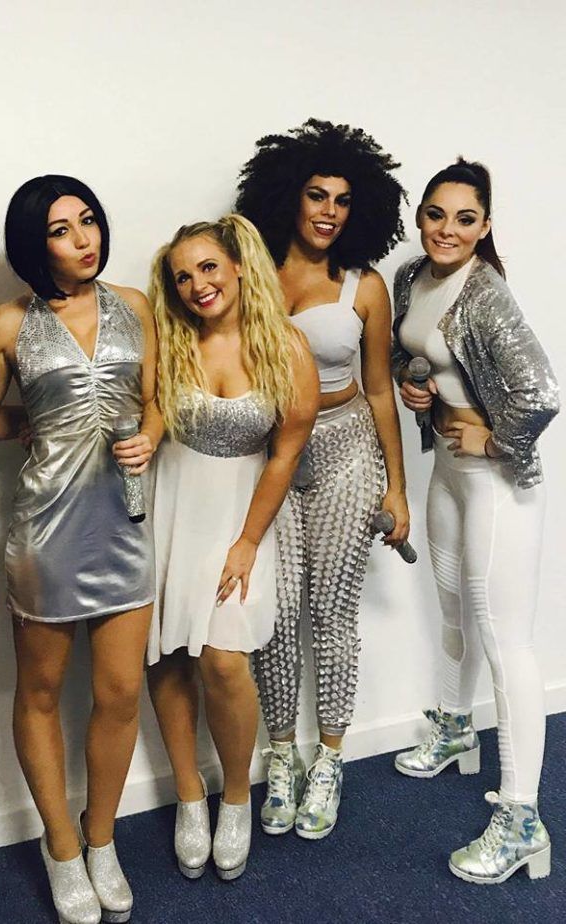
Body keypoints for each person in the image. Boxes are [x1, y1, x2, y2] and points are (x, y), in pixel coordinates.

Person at [0, 175, 161, 924]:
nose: (84, 239)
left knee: (119, 694)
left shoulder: (136, 306)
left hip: (125, 523)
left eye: (89, 221)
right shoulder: (4, 325)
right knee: (42, 693)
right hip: (47, 532)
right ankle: (60, 847)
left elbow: (155, 401)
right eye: (61, 229)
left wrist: (153, 435)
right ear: (35, 244)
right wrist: (32, 425)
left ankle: (101, 838)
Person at [235, 118, 410, 839]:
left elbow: (380, 390)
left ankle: (330, 759)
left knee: (331, 610)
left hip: (347, 450)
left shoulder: (364, 287)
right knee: (273, 614)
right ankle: (282, 755)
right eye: (316, 195)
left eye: (342, 200)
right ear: (289, 196)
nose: (329, 211)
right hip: (269, 456)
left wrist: (397, 487)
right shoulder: (248, 276)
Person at [391, 159, 558, 884]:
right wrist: (417, 387)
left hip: (497, 483)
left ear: (485, 226)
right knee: (453, 607)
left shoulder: (485, 293)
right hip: (449, 474)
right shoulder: (412, 278)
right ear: (420, 216)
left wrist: (495, 441)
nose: (447, 230)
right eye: (436, 214)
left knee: (505, 640)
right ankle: (457, 729)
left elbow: (540, 391)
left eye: (465, 219)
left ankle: (522, 819)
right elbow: (408, 350)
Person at [146, 214, 318, 880]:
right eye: (183, 277)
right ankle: (190, 795)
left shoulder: (286, 347)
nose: (198, 285)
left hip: (242, 514)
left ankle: (237, 797)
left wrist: (247, 541)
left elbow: (285, 454)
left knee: (222, 661)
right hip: (170, 504)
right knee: (166, 655)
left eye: (208, 268)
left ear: (239, 266)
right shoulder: (171, 338)